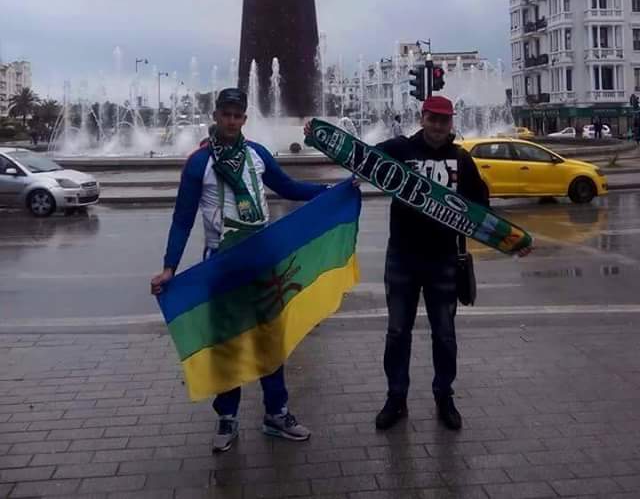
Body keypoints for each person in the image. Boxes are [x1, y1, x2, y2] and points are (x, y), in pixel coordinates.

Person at [150, 88, 330, 453]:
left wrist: (330, 190)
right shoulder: (199, 163)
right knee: (227, 343)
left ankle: (276, 413)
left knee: (269, 339)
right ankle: (227, 418)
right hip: (221, 262)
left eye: (238, 115)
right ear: (215, 115)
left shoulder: (258, 155)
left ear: (244, 119)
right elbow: (183, 219)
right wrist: (169, 267)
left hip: (261, 260)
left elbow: (288, 187)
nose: (231, 121)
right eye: (226, 114)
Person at [372, 95, 490, 432]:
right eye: (432, 119)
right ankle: (396, 398)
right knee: (397, 333)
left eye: (444, 120)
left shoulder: (461, 160)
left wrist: (512, 241)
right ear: (422, 118)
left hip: (443, 259)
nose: (438, 126)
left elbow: (481, 206)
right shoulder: (400, 149)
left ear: (451, 123)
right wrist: (318, 135)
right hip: (402, 258)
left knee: (445, 335)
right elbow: (361, 160)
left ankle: (444, 397)